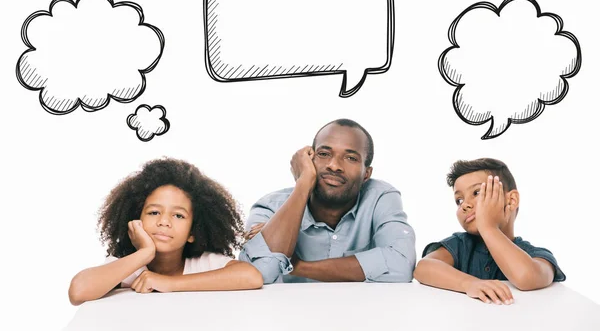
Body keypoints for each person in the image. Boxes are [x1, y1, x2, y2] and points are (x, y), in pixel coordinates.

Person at [239, 118, 416, 284]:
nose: (334, 165)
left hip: (363, 314)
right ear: (309, 160)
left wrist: (296, 265)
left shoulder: (380, 198)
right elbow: (259, 270)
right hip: (288, 314)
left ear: (366, 175)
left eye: (351, 158)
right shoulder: (269, 207)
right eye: (324, 154)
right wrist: (303, 182)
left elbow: (401, 265)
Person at [68, 158, 262, 305]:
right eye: (154, 212)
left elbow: (251, 276)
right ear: (135, 220)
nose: (163, 222)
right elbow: (78, 292)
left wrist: (169, 283)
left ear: (193, 231)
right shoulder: (127, 267)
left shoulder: (203, 263)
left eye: (178, 216)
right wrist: (145, 253)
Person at [414, 158, 565, 305]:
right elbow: (423, 267)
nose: (465, 205)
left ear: (511, 201)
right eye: (459, 200)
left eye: (477, 192)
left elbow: (526, 277)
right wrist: (469, 284)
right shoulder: (460, 245)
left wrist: (488, 227)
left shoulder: (535, 255)